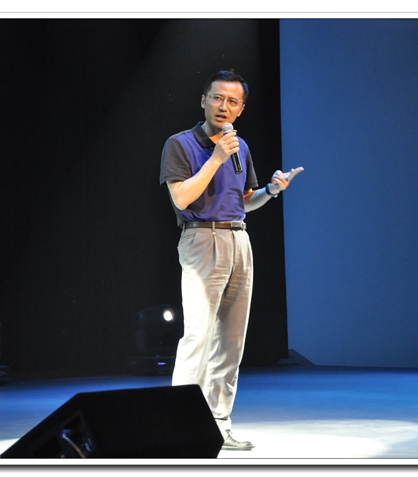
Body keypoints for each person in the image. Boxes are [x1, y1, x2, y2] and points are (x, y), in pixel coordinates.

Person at [159, 70, 303, 451]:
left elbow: (244, 201)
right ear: (203, 101)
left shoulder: (241, 147)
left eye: (232, 101)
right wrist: (216, 157)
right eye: (217, 98)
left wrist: (271, 190)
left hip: (238, 238)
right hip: (201, 238)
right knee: (198, 336)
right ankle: (180, 428)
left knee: (231, 342)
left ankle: (218, 426)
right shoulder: (180, 144)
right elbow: (182, 198)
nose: (224, 106)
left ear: (241, 109)